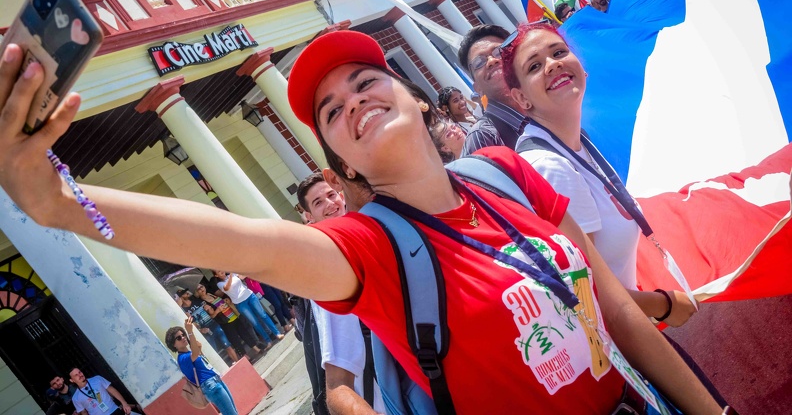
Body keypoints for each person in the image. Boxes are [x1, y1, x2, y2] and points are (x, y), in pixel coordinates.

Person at [0, 36, 726, 414]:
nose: (352, 102)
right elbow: (236, 241)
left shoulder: (508, 172)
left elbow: (621, 319)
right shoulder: (365, 248)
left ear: (408, 92)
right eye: (329, 110)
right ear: (340, 160)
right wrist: (58, 204)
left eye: (364, 81)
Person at [500, 22, 728, 405]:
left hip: (633, 338)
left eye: (558, 53)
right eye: (534, 66)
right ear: (521, 99)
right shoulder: (550, 167)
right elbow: (589, 295)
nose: (553, 65)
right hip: (624, 359)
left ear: (580, 65)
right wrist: (665, 304)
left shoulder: (575, 142)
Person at [297, 173, 385, 415]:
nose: (329, 204)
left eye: (331, 195)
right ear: (310, 218)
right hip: (384, 399)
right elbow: (336, 384)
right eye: (318, 203)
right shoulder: (327, 270)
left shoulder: (373, 237)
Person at [457, 25, 531, 155]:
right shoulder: (483, 138)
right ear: (478, 88)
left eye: (499, 51)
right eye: (479, 62)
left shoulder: (544, 103)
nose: (491, 61)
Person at [167, 317, 238, 415]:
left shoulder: (189, 353)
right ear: (173, 344)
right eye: (178, 338)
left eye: (183, 335)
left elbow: (203, 363)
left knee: (233, 412)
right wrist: (190, 332)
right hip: (210, 385)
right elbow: (195, 354)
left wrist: (200, 351)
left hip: (215, 380)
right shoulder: (182, 358)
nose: (183, 337)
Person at [213, 270, 284, 347]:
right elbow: (227, 288)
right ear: (216, 275)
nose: (221, 271)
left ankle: (277, 333)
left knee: (263, 315)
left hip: (250, 296)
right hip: (240, 303)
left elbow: (242, 276)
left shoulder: (233, 274)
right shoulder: (220, 284)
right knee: (254, 322)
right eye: (218, 272)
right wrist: (230, 276)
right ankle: (268, 340)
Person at [195, 283, 266, 356]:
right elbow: (212, 316)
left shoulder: (210, 294)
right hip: (225, 321)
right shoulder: (203, 303)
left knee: (245, 333)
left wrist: (226, 301)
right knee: (235, 340)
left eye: (202, 286)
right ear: (197, 292)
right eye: (199, 289)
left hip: (232, 315)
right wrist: (218, 310)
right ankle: (245, 357)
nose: (201, 289)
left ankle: (257, 349)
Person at [178, 288, 240, 363]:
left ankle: (239, 362)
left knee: (227, 345)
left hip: (213, 324)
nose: (187, 293)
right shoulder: (183, 310)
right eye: (184, 293)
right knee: (214, 352)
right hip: (204, 332)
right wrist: (200, 330)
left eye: (186, 291)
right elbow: (190, 325)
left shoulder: (196, 300)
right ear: (180, 297)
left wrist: (209, 308)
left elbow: (211, 313)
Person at [69, 368, 138, 415]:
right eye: (76, 375)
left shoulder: (97, 379)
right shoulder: (75, 398)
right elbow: (83, 412)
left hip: (115, 411)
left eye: (79, 372)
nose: (80, 375)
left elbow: (112, 390)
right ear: (72, 380)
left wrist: (124, 403)